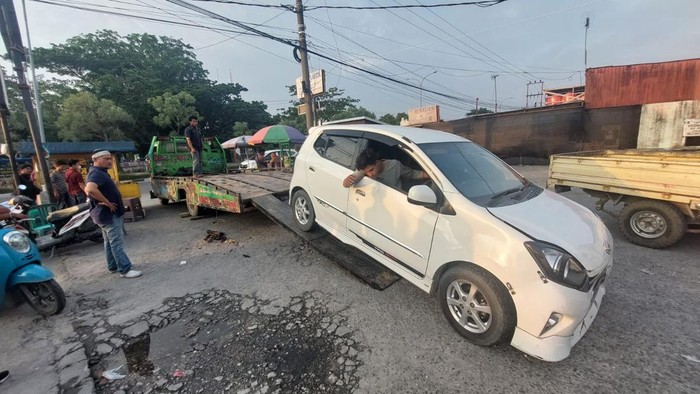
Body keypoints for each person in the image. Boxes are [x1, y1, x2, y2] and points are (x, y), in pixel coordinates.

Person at [85, 150, 142, 279]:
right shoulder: (96, 173)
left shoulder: (98, 172)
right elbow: (90, 189)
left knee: (109, 242)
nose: (109, 161)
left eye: (110, 159)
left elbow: (88, 189)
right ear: (96, 160)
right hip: (108, 214)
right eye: (106, 159)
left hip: (104, 214)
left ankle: (113, 266)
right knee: (116, 243)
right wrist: (106, 202)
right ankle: (125, 269)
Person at [342, 148, 429, 189]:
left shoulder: (395, 165)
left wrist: (428, 175)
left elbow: (412, 174)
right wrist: (346, 181)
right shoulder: (363, 169)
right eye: (367, 173)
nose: (370, 174)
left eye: (371, 170)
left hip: (396, 197)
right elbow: (348, 183)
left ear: (377, 162)